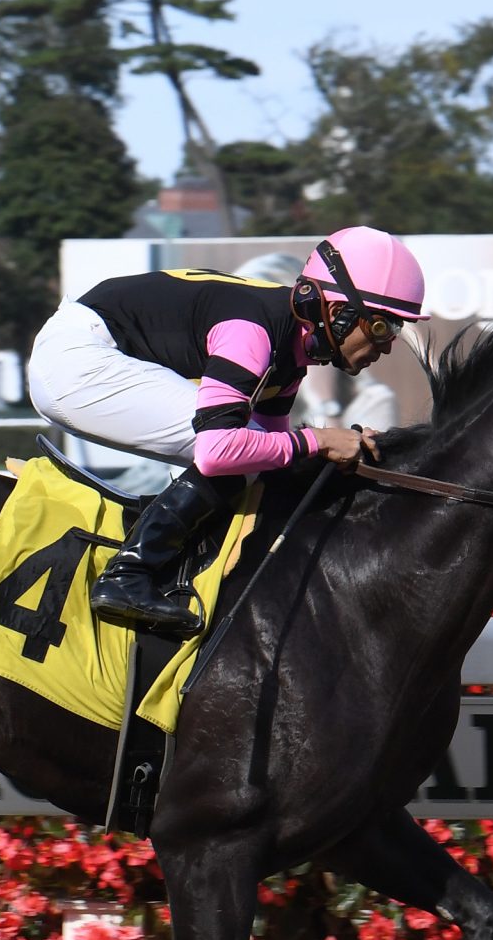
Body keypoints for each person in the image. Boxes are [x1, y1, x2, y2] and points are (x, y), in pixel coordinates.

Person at [26, 226, 429, 637]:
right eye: (382, 327)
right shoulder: (253, 330)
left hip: (86, 351)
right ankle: (127, 574)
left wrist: (336, 451)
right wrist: (321, 440)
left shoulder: (290, 357)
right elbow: (219, 453)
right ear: (337, 311)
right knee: (234, 450)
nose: (388, 345)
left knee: (259, 452)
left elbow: (274, 456)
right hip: (77, 361)